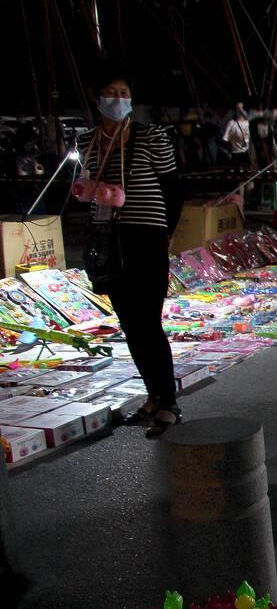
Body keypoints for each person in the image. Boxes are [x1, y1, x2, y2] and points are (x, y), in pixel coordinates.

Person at [77, 64, 181, 437]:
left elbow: (172, 187)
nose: (117, 100)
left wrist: (166, 232)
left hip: (147, 239)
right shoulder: (86, 141)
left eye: (124, 93)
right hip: (108, 241)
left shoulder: (150, 137)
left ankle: (168, 402)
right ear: (96, 98)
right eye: (111, 93)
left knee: (148, 322)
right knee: (129, 323)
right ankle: (153, 396)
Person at [222, 103, 252, 167]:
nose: (239, 110)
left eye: (241, 108)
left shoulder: (249, 123)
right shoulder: (231, 123)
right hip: (235, 156)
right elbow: (225, 139)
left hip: (247, 155)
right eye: (238, 109)